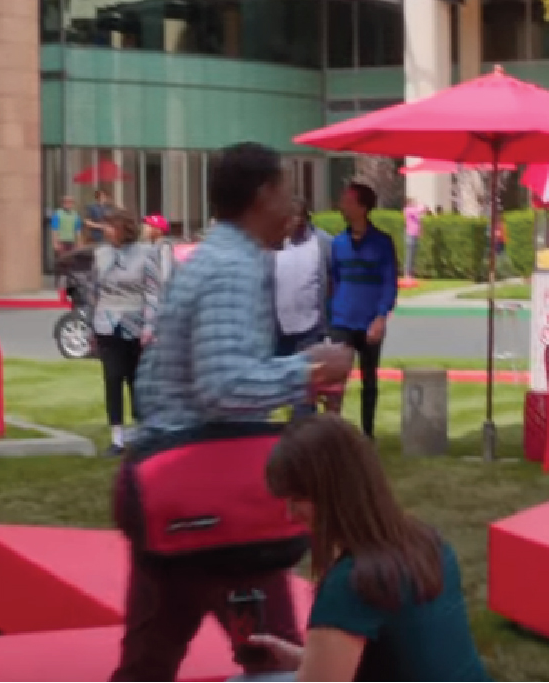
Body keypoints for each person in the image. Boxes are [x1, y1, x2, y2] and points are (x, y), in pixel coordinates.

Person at [113, 141, 356, 682]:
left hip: (166, 495)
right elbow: (224, 387)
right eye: (287, 189)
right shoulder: (231, 268)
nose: (294, 203)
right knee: (273, 657)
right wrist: (310, 369)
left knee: (148, 662)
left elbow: (159, 382)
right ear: (263, 194)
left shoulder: (213, 260)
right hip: (214, 503)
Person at [250, 415, 490, 681]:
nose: (290, 514)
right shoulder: (429, 544)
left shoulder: (352, 584)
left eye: (297, 499)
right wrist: (304, 659)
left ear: (334, 493)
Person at [328, 182, 399, 439]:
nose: (342, 206)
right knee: (335, 382)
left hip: (370, 322)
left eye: (348, 202)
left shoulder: (382, 243)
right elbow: (334, 279)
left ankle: (367, 434)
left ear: (363, 207)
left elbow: (389, 283)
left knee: (369, 380)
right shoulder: (338, 243)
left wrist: (381, 317)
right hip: (342, 320)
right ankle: (332, 434)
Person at [90, 208, 162, 456]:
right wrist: (91, 325)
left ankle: (142, 432)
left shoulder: (147, 254)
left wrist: (150, 326)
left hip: (136, 323)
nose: (106, 230)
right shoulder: (100, 254)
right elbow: (94, 292)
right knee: (112, 378)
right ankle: (117, 438)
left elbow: (153, 292)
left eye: (111, 226)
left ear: (124, 229)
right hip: (106, 323)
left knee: (136, 381)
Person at [276, 200, 332, 358]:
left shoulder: (323, 243)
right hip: (279, 330)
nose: (292, 222)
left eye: (296, 217)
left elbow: (335, 279)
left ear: (306, 218)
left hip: (311, 329)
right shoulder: (274, 241)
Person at [50, 194, 84, 259]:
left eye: (70, 202)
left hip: (72, 242)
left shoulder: (76, 215)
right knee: (62, 260)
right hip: (61, 242)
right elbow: (54, 229)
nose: (68, 204)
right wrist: (55, 243)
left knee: (72, 260)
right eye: (66, 202)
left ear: (73, 204)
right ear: (62, 203)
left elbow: (78, 230)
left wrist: (80, 243)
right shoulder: (57, 214)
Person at [401, 197, 424, 279]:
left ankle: (411, 273)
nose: (414, 204)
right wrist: (421, 206)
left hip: (414, 234)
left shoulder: (414, 211)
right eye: (413, 202)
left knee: (413, 254)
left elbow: (418, 221)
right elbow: (420, 209)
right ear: (408, 203)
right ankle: (407, 273)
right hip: (410, 234)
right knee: (409, 254)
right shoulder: (408, 210)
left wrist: (420, 232)